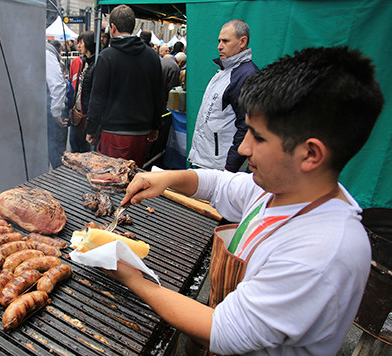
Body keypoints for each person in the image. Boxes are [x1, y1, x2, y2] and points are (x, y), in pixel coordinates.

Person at [108, 46, 384, 355]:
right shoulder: (281, 189)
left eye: (258, 136)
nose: (243, 148)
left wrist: (132, 277)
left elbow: (224, 331)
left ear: (310, 154)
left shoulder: (322, 251)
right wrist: (168, 178)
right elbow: (220, 184)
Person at [86, 5, 163, 167]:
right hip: (141, 134)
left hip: (113, 133)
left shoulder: (107, 56)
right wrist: (155, 126)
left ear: (112, 27)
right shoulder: (152, 56)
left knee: (110, 181)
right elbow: (159, 95)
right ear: (133, 26)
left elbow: (97, 97)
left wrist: (91, 128)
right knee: (134, 178)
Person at [187, 19, 259, 172]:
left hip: (220, 167)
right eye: (219, 41)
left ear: (242, 42)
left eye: (225, 41)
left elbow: (247, 126)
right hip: (207, 161)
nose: (219, 46)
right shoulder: (225, 71)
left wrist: (230, 167)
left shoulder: (246, 75)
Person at [68, 30, 95, 154]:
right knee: (74, 149)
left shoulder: (95, 64)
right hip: (77, 115)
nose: (78, 45)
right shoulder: (82, 61)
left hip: (87, 117)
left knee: (85, 152)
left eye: (81, 42)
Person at [45, 40, 67, 169]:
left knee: (57, 156)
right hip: (43, 114)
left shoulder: (46, 53)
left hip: (50, 114)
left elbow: (58, 85)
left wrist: (56, 112)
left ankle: (62, 184)